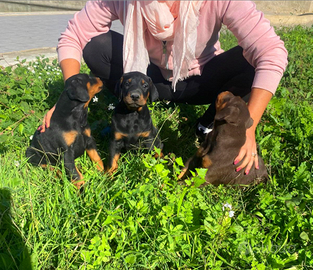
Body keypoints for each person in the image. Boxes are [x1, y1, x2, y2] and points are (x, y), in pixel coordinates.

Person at [41, 0, 288, 175]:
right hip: (149, 79)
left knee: (249, 63)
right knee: (97, 47)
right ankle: (128, 110)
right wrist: (70, 101)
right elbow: (74, 36)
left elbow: (272, 52)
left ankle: (207, 124)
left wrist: (249, 125)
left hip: (201, 79)